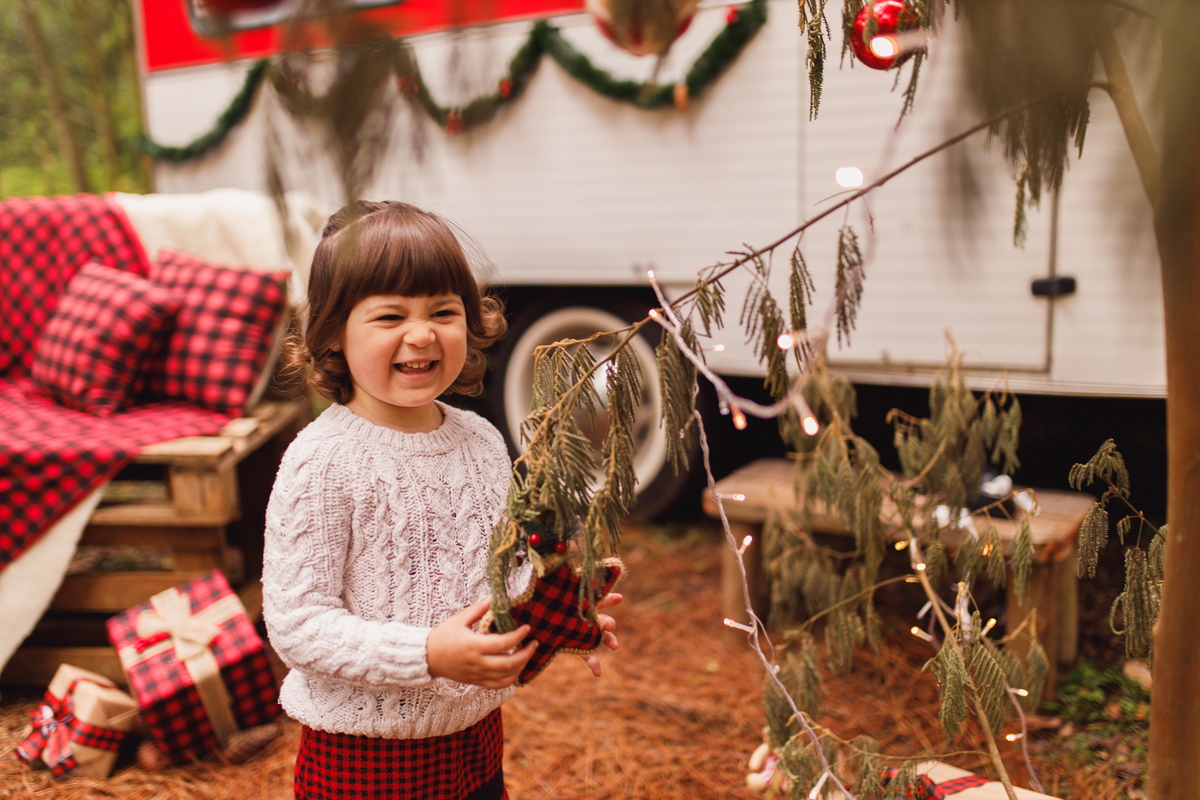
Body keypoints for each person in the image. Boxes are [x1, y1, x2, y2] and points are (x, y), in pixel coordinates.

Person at [261, 200, 620, 800]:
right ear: (331, 333)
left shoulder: (479, 440)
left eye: (443, 311)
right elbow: (298, 624)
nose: (422, 334)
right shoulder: (322, 462)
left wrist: (557, 619)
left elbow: (503, 573)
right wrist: (427, 653)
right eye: (390, 316)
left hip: (475, 739)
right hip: (363, 758)